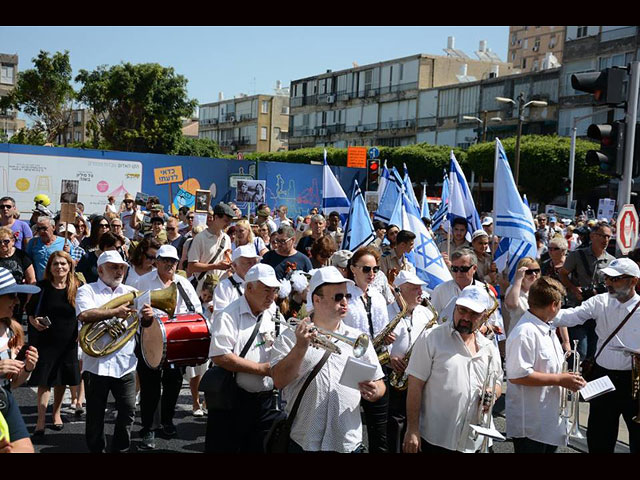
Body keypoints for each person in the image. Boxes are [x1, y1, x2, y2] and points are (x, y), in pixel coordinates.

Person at [270, 267, 386, 453]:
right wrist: (300, 347)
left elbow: (379, 382)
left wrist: (376, 390)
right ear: (317, 299)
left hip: (347, 442)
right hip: (304, 440)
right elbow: (278, 380)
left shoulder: (357, 337)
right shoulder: (289, 337)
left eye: (347, 296)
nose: (345, 302)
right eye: (338, 297)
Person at [552, 258, 640, 453]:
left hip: (634, 380)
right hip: (603, 376)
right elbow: (571, 316)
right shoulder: (600, 301)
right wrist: (539, 314)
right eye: (607, 277)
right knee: (599, 436)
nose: (608, 282)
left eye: (615, 279)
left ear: (633, 281)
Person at [403, 285, 503, 453]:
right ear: (455, 307)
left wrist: (492, 393)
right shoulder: (431, 338)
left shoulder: (489, 347)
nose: (465, 317)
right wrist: (412, 429)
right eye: (462, 310)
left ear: (484, 316)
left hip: (477, 440)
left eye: (473, 314)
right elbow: (415, 386)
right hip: (439, 440)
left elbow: (498, 383)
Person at [206, 263, 283, 453]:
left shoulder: (274, 311)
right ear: (249, 287)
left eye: (274, 290)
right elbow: (220, 356)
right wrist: (262, 369)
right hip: (232, 400)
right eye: (266, 290)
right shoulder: (228, 315)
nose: (271, 296)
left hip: (266, 401)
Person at [506, 276, 587, 453]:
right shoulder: (525, 332)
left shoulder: (546, 327)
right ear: (553, 305)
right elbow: (518, 375)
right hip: (531, 425)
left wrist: (570, 379)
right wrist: (560, 379)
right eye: (561, 304)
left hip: (548, 421)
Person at [132, 245, 202, 450]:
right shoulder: (143, 282)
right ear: (157, 261)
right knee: (150, 386)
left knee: (174, 383)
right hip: (148, 340)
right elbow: (135, 311)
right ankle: (148, 428)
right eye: (165, 260)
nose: (169, 264)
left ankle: (167, 420)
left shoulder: (183, 283)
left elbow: (195, 309)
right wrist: (146, 317)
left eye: (173, 261)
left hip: (174, 341)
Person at [75, 251, 139, 453]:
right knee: (95, 415)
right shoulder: (87, 290)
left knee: (128, 410)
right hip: (96, 364)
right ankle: (97, 451)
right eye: (113, 267)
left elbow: (143, 325)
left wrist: (146, 317)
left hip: (125, 362)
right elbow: (84, 315)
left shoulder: (132, 292)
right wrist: (114, 312)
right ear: (100, 269)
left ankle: (121, 449)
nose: (119, 271)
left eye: (121, 267)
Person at [26, 251, 81, 437]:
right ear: (50, 267)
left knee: (62, 380)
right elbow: (30, 311)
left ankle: (56, 414)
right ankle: (41, 419)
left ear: (70, 266)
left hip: (69, 341)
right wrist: (34, 322)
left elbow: (84, 313)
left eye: (63, 264)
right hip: (46, 340)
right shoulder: (40, 287)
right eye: (56, 264)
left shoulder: (77, 286)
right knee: (44, 381)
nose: (60, 267)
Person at [343, 246, 391, 453]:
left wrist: (388, 337)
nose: (371, 274)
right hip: (350, 366)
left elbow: (383, 327)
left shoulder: (378, 296)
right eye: (366, 269)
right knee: (347, 429)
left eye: (375, 269)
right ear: (353, 268)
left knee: (379, 429)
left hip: (377, 366)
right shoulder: (344, 296)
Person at [386, 270, 436, 453]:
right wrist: (390, 356)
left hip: (420, 375)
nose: (420, 293)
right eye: (414, 289)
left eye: (420, 288)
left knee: (419, 419)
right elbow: (375, 342)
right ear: (400, 291)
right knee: (396, 421)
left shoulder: (426, 313)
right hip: (396, 374)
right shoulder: (386, 312)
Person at [558, 221, 615, 360]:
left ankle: (588, 379)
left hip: (599, 312)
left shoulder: (612, 261)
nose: (606, 240)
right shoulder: (577, 255)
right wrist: (573, 288)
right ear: (593, 236)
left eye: (608, 237)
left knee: (594, 352)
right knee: (580, 351)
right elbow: (563, 273)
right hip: (578, 308)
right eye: (602, 236)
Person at [186, 203, 234, 294]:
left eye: (230, 221)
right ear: (216, 217)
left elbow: (228, 260)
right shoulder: (200, 238)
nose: (228, 224)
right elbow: (191, 267)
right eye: (226, 220)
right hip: (203, 290)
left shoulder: (226, 238)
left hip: (221, 289)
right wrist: (216, 266)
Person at [212, 245, 261, 321]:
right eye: (248, 263)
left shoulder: (261, 284)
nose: (253, 267)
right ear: (234, 265)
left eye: (255, 262)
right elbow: (221, 316)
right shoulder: (224, 286)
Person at [26, 216, 77, 281]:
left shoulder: (65, 242)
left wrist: (67, 254)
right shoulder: (33, 243)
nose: (41, 231)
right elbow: (27, 263)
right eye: (38, 229)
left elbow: (73, 264)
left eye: (44, 228)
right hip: (40, 284)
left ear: (53, 227)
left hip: (59, 283)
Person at [0, 227, 36, 319]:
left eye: (6, 241)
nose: (2, 244)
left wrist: (29, 300)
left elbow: (31, 279)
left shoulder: (22, 256)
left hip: (18, 300)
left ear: (12, 241)